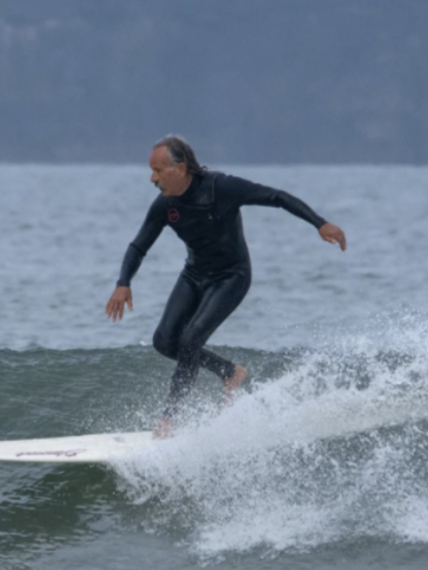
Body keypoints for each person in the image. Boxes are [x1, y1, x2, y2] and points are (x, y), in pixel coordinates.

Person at [104, 135, 346, 437]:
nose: (152, 178)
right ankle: (230, 372)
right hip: (194, 274)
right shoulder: (165, 205)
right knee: (164, 342)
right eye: (151, 171)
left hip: (232, 276)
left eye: (158, 170)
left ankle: (169, 420)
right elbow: (138, 246)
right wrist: (123, 283)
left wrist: (319, 223)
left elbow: (276, 197)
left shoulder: (221, 188)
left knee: (191, 338)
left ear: (180, 169)